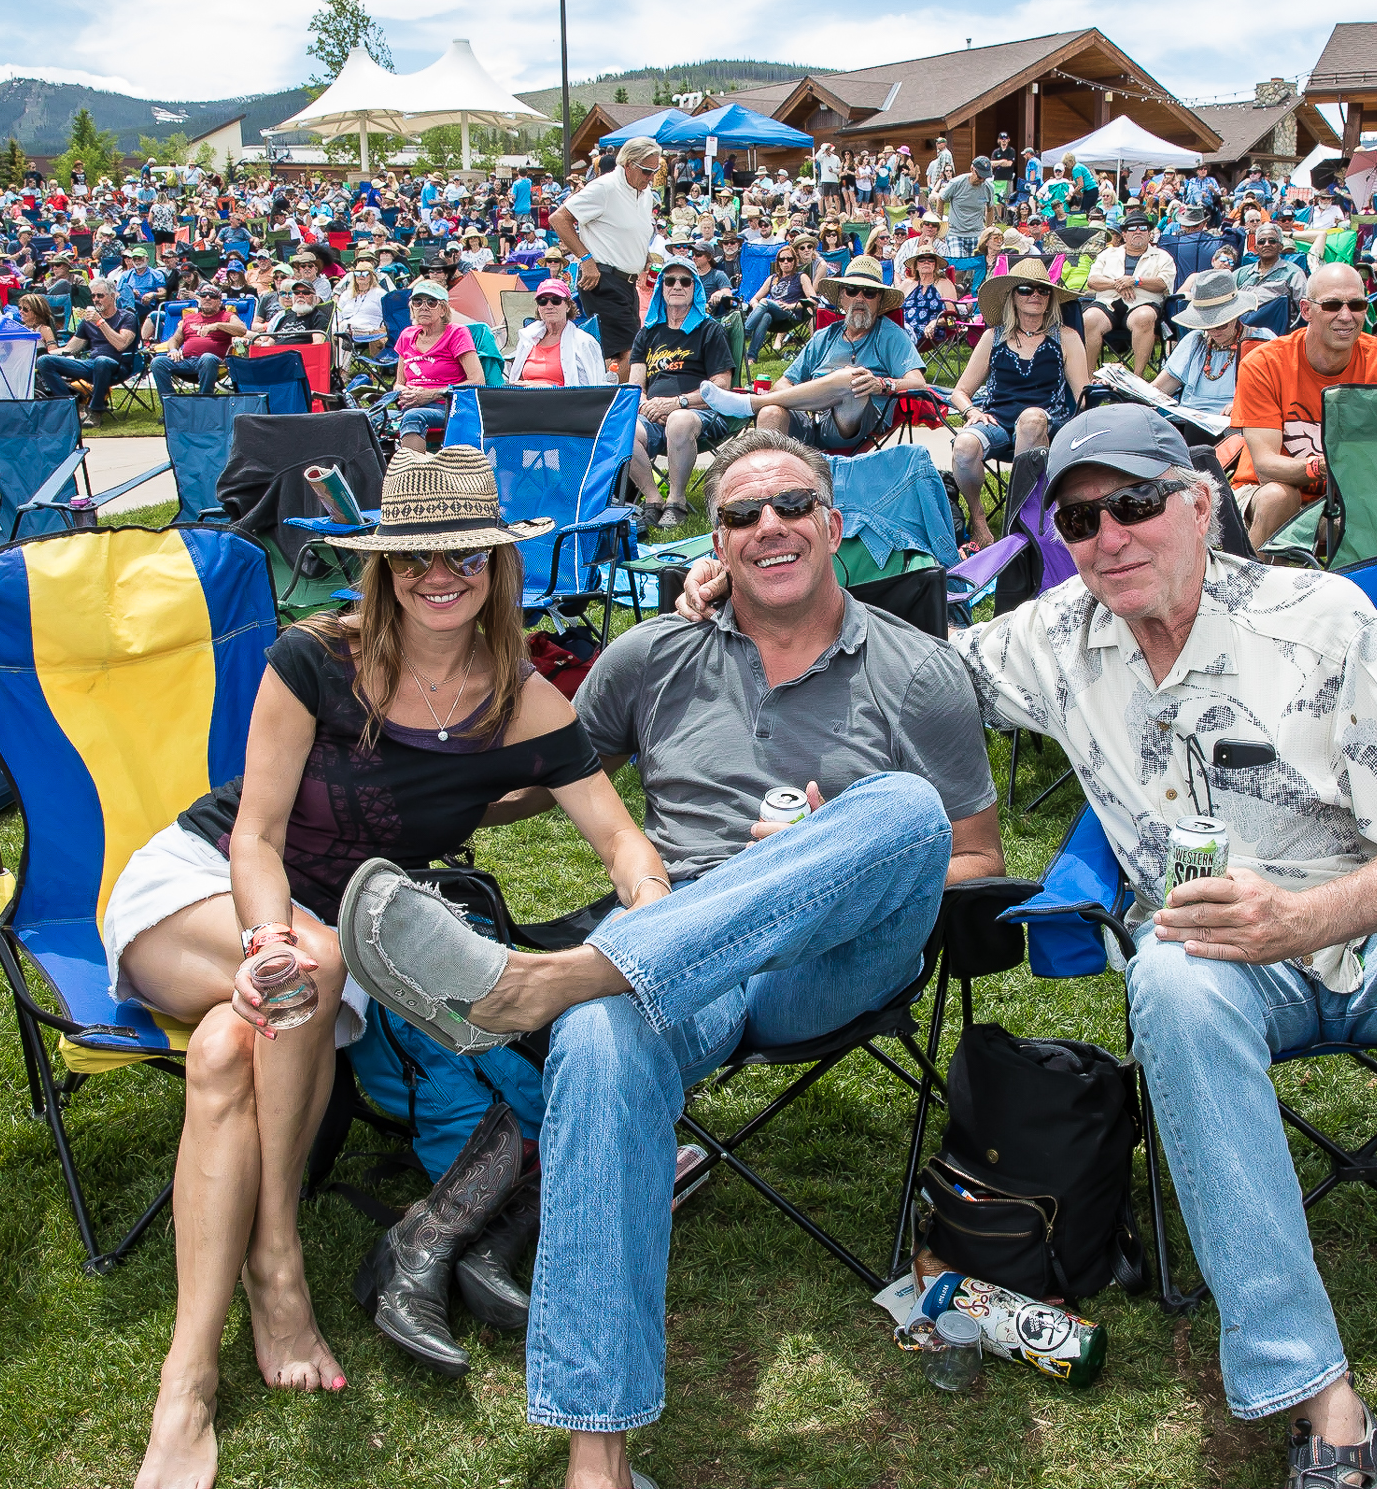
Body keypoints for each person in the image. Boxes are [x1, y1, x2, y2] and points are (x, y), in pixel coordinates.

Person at [355, 428, 1002, 1489]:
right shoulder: (654, 650)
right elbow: (541, 770)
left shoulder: (916, 669)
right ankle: (595, 1460)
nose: (769, 525)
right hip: (673, 955)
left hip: (830, 956)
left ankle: (540, 983)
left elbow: (974, 854)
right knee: (605, 1037)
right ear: (716, 541)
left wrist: (816, 862)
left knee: (904, 806)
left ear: (833, 523)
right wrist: (389, 781)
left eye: (792, 503)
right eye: (742, 515)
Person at [944, 401, 1377, 1489]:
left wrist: (1305, 919)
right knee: (1173, 982)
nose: (1110, 537)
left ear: (1200, 504)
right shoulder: (1056, 634)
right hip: (1223, 963)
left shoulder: (1317, 617)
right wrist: (753, 578)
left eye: (1135, 505)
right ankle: (1315, 1396)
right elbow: (908, 669)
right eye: (1081, 521)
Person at [110, 445, 667, 1489]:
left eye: (462, 552)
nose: (437, 572)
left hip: (345, 941)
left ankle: (190, 1376)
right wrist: (269, 937)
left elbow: (622, 842)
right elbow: (256, 836)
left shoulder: (526, 702)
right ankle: (271, 1279)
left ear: (498, 566)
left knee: (233, 1046)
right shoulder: (315, 659)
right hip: (207, 893)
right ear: (383, 566)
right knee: (307, 962)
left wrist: (650, 909)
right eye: (414, 555)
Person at [1232, 261, 1377, 547]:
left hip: (1351, 495)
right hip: (1265, 489)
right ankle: (1251, 585)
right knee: (1280, 497)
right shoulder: (1264, 364)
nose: (1346, 316)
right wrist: (1327, 465)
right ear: (1306, 310)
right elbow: (1266, 466)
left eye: (1356, 305)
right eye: (1331, 306)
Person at [694, 255, 925, 452]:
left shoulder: (891, 335)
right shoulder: (825, 335)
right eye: (852, 291)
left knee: (852, 377)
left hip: (853, 424)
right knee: (770, 413)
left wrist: (882, 384)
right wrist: (813, 399)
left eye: (869, 293)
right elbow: (782, 384)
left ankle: (750, 403)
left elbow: (918, 383)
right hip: (810, 421)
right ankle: (772, 494)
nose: (859, 299)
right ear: (842, 297)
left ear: (880, 300)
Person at [948, 257, 1090, 549]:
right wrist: (971, 410)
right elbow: (959, 391)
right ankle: (978, 521)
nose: (1034, 295)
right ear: (1012, 296)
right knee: (964, 445)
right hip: (998, 421)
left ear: (1050, 298)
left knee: (1031, 419)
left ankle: (1019, 519)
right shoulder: (993, 337)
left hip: (1047, 423)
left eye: (1042, 290)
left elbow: (1083, 397)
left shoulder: (1066, 338)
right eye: (1025, 289)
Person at [624, 258, 735, 529]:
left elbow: (721, 385)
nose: (676, 286)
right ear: (661, 287)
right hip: (654, 413)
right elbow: (635, 386)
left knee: (679, 420)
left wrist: (677, 404)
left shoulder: (709, 330)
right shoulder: (648, 333)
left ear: (695, 288)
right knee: (622, 430)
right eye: (669, 280)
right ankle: (652, 500)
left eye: (685, 281)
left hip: (699, 411)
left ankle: (676, 501)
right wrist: (647, 406)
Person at [551, 135, 665, 373]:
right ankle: (619, 402)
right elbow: (559, 218)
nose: (651, 177)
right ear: (629, 164)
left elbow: (632, 228)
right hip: (603, 279)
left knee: (618, 352)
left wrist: (642, 256)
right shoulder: (604, 187)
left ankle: (608, 396)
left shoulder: (643, 193)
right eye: (647, 171)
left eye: (655, 171)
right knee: (631, 352)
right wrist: (585, 259)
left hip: (628, 283)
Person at [1153, 270, 1274, 418]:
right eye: (1206, 325)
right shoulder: (1195, 340)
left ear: (1236, 316)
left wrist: (1244, 404)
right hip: (1190, 421)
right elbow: (1158, 389)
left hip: (1239, 422)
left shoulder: (1261, 341)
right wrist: (1125, 381)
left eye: (1222, 324)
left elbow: (1280, 392)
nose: (1214, 331)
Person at [391, 282, 483, 454]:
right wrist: (405, 392)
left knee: (413, 417)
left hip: (447, 405)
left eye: (431, 302)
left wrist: (432, 394)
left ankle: (414, 476)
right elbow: (398, 382)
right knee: (364, 419)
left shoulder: (456, 333)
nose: (423, 307)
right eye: (418, 302)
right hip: (410, 405)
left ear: (443, 310)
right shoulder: (407, 335)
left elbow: (477, 380)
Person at [36, 278, 139, 428]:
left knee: (102, 361)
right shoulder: (88, 321)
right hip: (92, 364)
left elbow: (121, 345)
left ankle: (96, 410)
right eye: (93, 296)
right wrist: (41, 353)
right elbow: (71, 348)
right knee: (44, 361)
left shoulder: (126, 317)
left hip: (119, 365)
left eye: (100, 296)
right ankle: (72, 403)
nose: (96, 299)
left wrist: (100, 322)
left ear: (113, 296)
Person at [1081, 210, 1174, 374]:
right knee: (1089, 318)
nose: (1137, 231)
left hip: (1142, 304)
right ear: (1124, 234)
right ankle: (1086, 378)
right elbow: (1092, 281)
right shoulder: (1108, 254)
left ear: (1149, 233)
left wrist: (1136, 281)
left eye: (1143, 227)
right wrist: (1118, 283)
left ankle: (1136, 381)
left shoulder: (1162, 256)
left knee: (1144, 317)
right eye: (1132, 228)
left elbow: (1163, 283)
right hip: (1108, 303)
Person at [150, 281, 246, 402]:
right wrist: (174, 350)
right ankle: (171, 404)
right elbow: (174, 339)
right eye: (204, 295)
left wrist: (217, 325)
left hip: (214, 363)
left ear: (220, 301)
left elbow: (242, 330)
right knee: (157, 362)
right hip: (186, 360)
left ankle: (204, 403)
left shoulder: (227, 316)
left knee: (207, 358)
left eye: (212, 296)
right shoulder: (189, 318)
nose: (207, 298)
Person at [509, 279, 606, 387]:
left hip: (562, 401)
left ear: (568, 306)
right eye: (542, 301)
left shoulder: (583, 342)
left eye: (556, 300)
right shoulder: (528, 338)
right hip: (526, 399)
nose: (549, 306)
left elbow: (589, 391)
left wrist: (548, 388)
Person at [742, 243, 813, 362]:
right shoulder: (772, 278)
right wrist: (756, 306)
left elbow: (813, 300)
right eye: (782, 259)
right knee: (765, 316)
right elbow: (754, 299)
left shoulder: (801, 277)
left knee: (765, 301)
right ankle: (751, 357)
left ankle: (744, 333)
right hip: (772, 315)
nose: (786, 262)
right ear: (778, 262)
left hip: (790, 314)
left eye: (789, 259)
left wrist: (791, 306)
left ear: (795, 261)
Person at [1233, 222, 1308, 313]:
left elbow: (1305, 308)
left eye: (1272, 241)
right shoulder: (1241, 273)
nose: (1267, 244)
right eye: (1261, 242)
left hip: (1276, 325)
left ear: (1280, 247)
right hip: (1243, 322)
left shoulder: (1294, 273)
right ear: (1256, 248)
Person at [899, 243, 958, 345]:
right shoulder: (907, 284)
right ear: (916, 265)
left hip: (930, 331)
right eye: (921, 260)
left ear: (935, 265)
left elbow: (952, 319)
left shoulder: (944, 284)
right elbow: (891, 308)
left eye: (931, 260)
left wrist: (935, 322)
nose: (926, 262)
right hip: (903, 328)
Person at [936, 158, 997, 256]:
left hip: (977, 233)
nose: (982, 180)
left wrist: (988, 229)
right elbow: (941, 199)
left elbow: (990, 208)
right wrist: (939, 224)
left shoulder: (988, 187)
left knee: (978, 265)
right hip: (955, 233)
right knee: (959, 266)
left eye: (984, 178)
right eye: (980, 176)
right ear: (972, 169)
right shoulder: (956, 183)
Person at [252, 278, 334, 346]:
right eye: (296, 292)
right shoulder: (285, 317)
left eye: (306, 293)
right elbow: (269, 344)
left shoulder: (318, 317)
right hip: (276, 357)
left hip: (298, 359)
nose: (301, 295)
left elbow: (318, 345)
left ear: (314, 297)